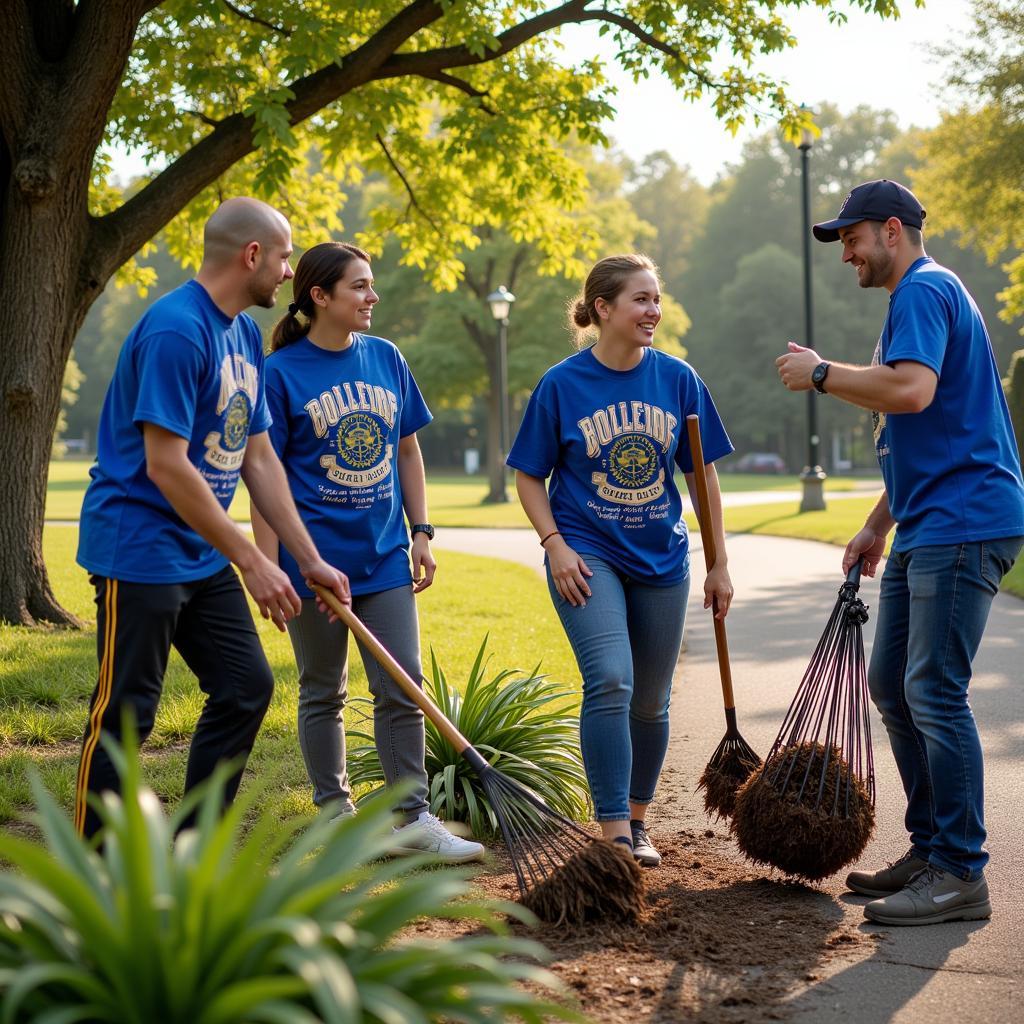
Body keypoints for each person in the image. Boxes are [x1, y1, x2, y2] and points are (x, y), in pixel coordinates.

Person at [776, 179, 1024, 925]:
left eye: (851, 238)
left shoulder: (923, 290)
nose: (845, 253)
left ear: (892, 229)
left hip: (964, 520)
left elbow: (911, 392)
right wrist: (877, 523)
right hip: (928, 520)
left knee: (934, 691)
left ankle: (959, 870)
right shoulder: (916, 300)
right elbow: (918, 428)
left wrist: (822, 374)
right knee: (893, 684)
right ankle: (930, 848)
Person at [75, 198, 351, 840]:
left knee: (246, 688)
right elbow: (166, 465)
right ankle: (96, 871)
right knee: (126, 715)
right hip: (139, 548)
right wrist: (252, 560)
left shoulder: (243, 337)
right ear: (252, 255)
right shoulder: (178, 329)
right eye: (283, 257)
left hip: (198, 552)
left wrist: (306, 557)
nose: (288, 273)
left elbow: (259, 458)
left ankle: (190, 850)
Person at [250, 242, 484, 863]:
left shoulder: (386, 358)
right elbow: (264, 475)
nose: (372, 297)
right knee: (324, 688)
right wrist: (271, 566)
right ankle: (337, 815)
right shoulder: (279, 375)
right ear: (318, 297)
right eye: (359, 287)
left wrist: (422, 531)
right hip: (312, 564)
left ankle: (412, 818)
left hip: (382, 558)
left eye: (371, 285)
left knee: (400, 685)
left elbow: (408, 450)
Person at [508, 254, 734, 867]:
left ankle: (638, 821)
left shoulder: (679, 380)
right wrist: (554, 544)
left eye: (656, 299)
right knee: (610, 677)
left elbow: (702, 476)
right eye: (640, 299)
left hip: (662, 558)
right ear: (602, 309)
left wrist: (718, 562)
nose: (653, 311)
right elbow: (529, 476)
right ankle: (611, 832)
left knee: (650, 700)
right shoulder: (561, 384)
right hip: (586, 553)